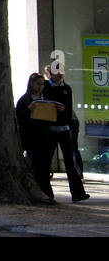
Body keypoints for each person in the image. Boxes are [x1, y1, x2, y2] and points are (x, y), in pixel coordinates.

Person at [42, 62, 90, 202]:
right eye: (57, 72)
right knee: (46, 160)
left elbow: (69, 108)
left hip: (64, 128)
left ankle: (77, 193)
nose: (60, 74)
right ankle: (46, 192)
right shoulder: (45, 86)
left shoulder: (66, 88)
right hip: (50, 128)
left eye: (62, 71)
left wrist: (66, 118)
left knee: (69, 161)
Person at [16, 72, 56, 201]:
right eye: (38, 84)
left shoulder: (46, 97)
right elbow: (18, 118)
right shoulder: (25, 99)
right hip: (31, 137)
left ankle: (47, 192)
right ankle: (42, 192)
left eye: (42, 84)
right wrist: (29, 110)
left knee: (45, 166)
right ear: (32, 84)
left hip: (45, 136)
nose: (40, 87)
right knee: (37, 165)